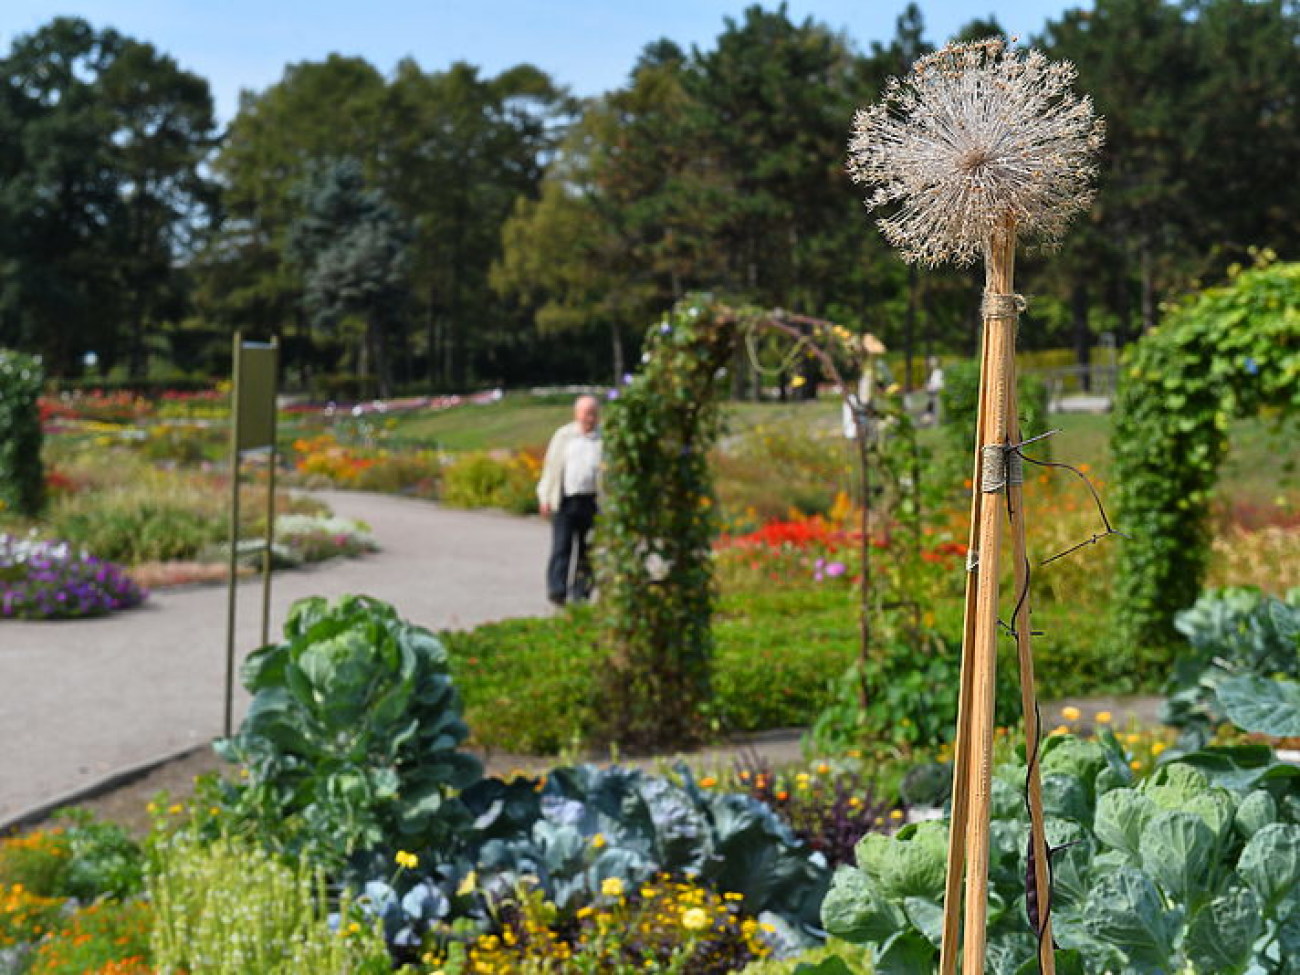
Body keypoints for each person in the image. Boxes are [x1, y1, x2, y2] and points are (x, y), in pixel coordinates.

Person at [536, 394, 602, 606]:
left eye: (592, 413)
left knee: (587, 550)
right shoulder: (564, 436)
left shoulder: (603, 440)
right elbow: (551, 468)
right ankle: (557, 590)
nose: (589, 418)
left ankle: (581, 592)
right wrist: (545, 497)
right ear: (576, 414)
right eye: (585, 413)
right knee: (561, 547)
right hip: (565, 500)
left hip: (591, 502)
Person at [924, 356, 945, 426]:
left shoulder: (938, 372)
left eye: (932, 361)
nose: (930, 363)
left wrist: (930, 387)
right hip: (933, 393)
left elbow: (939, 384)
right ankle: (931, 420)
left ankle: (935, 422)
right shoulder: (933, 372)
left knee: (935, 407)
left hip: (937, 392)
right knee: (931, 406)